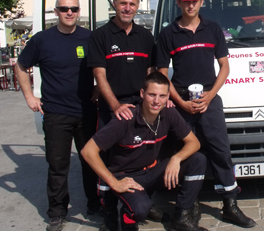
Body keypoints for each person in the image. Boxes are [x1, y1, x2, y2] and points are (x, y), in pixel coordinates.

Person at [156, 0, 256, 228]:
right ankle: (190, 205)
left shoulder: (212, 30)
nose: (190, 5)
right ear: (178, 3)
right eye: (185, 1)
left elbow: (225, 67)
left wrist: (210, 96)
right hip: (180, 103)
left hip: (209, 100)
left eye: (194, 1)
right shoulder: (168, 34)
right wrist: (180, 102)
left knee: (221, 151)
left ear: (201, 2)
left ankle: (230, 205)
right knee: (189, 153)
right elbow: (161, 75)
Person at [15, 0, 100, 231]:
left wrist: (99, 88)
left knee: (91, 162)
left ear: (79, 10)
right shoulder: (42, 40)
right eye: (64, 9)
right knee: (58, 166)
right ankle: (57, 212)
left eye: (73, 8)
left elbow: (102, 67)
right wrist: (29, 96)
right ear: (56, 12)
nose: (70, 12)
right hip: (56, 114)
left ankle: (95, 204)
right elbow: (21, 66)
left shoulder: (89, 38)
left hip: (86, 111)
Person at [81, 72, 208, 231]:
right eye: (152, 95)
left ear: (168, 96)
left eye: (162, 96)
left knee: (198, 160)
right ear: (142, 94)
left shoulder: (168, 112)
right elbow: (88, 151)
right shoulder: (126, 119)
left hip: (152, 171)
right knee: (140, 208)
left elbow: (194, 143)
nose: (157, 101)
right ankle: (128, 219)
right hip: (127, 176)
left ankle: (181, 217)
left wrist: (176, 159)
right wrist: (114, 182)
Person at [87, 0, 157, 230]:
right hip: (112, 107)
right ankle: (109, 210)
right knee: (108, 160)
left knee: (142, 155)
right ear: (114, 5)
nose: (128, 8)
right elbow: (99, 74)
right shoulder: (101, 36)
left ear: (138, 7)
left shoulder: (145, 36)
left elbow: (151, 73)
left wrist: (152, 102)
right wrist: (115, 105)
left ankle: (140, 202)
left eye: (133, 4)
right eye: (123, 3)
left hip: (140, 107)